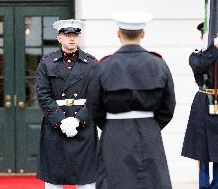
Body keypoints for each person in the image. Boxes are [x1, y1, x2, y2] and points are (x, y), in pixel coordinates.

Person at [86, 12, 176, 189]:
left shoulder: (104, 65)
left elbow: (93, 106)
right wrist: (151, 124)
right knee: (151, 181)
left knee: (114, 181)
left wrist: (111, 126)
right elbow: (168, 105)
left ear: (118, 34)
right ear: (143, 34)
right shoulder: (158, 64)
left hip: (114, 132)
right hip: (149, 130)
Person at [36, 19, 98, 189]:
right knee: (54, 179)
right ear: (59, 38)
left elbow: (96, 96)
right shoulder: (47, 62)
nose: (72, 38)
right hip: (55, 125)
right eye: (67, 35)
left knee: (86, 180)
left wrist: (78, 120)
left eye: (75, 35)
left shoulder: (91, 63)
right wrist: (61, 121)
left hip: (83, 125)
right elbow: (43, 95)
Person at [181, 22, 218, 189]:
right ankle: (204, 186)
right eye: (205, 34)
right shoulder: (197, 55)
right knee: (201, 151)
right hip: (203, 102)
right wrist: (215, 49)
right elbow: (199, 65)